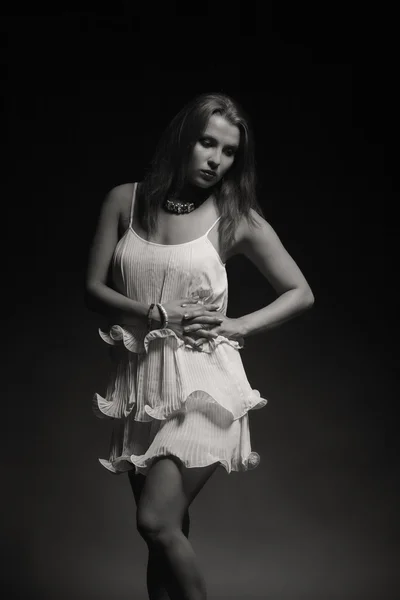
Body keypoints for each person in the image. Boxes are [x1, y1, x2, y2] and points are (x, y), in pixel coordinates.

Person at [85, 92, 314, 600]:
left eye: (229, 151)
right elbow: (93, 290)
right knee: (165, 535)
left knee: (156, 522)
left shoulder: (233, 216)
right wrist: (152, 313)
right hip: (142, 383)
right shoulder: (125, 200)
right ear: (183, 139)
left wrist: (242, 326)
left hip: (204, 388)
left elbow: (301, 292)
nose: (216, 159)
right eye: (207, 142)